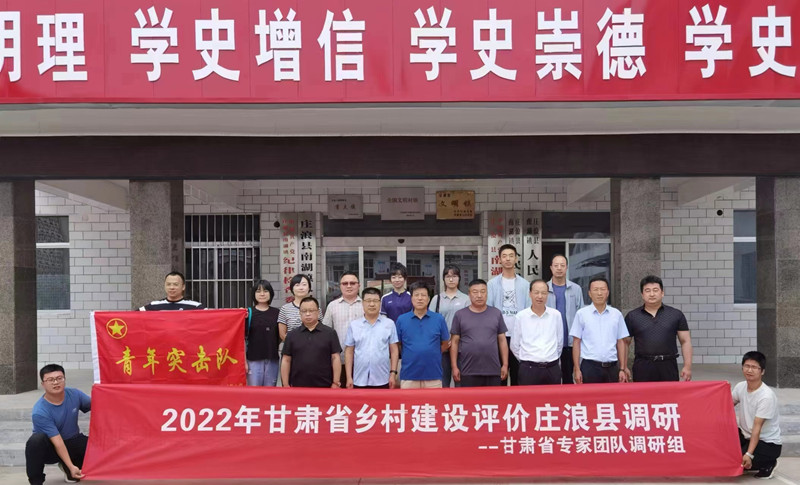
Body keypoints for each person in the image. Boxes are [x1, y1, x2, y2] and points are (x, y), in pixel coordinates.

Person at [26, 364, 90, 485]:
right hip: (50, 448)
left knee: (94, 445)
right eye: (50, 380)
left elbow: (97, 405)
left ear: (64, 379)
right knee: (35, 441)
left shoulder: (75, 394)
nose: (56, 382)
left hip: (72, 441)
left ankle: (68, 468)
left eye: (59, 378)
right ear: (43, 384)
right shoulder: (40, 411)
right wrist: (71, 465)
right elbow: (58, 442)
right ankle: (36, 481)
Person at [624, 275, 693, 382]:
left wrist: (687, 366)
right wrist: (623, 367)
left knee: (669, 393)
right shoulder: (632, 316)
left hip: (668, 365)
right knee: (643, 393)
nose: (652, 294)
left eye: (655, 290)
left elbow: (685, 341)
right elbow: (624, 343)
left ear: (662, 293)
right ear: (642, 295)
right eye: (647, 291)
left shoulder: (676, 314)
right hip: (643, 366)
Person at [570, 276, 629, 384]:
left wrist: (622, 368)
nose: (599, 293)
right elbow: (576, 342)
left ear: (608, 292)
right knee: (589, 395)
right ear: (589, 293)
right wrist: (577, 369)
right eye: (595, 290)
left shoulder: (616, 314)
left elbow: (621, 341)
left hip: (612, 367)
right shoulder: (581, 314)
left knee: (613, 395)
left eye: (602, 289)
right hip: (590, 367)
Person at [732, 351, 782, 479]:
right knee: (724, 453)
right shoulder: (740, 387)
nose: (749, 370)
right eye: (747, 366)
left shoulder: (766, 396)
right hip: (746, 436)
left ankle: (768, 463)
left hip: (767, 443)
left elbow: (757, 428)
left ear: (762, 371)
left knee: (736, 461)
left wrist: (749, 454)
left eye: (754, 367)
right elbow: (726, 405)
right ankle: (748, 460)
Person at [450, 279, 508, 387]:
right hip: (468, 370)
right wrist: (454, 367)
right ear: (469, 294)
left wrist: (505, 364)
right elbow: (454, 342)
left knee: (493, 398)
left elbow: (502, 340)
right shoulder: (460, 315)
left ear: (487, 293)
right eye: (475, 292)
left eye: (483, 291)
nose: (479, 295)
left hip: (493, 370)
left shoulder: (496, 313)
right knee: (470, 398)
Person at [487, 244, 530, 385]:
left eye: (511, 256)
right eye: (504, 256)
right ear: (499, 259)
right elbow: (489, 310)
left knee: (518, 377)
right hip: (499, 336)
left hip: (519, 336)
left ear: (516, 259)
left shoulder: (525, 285)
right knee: (500, 377)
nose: (508, 259)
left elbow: (528, 311)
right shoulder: (492, 284)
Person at [395, 281, 450, 389]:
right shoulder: (402, 320)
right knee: (408, 401)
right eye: (416, 295)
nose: (420, 298)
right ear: (411, 298)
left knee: (433, 401)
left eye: (423, 295)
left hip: (433, 375)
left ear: (428, 299)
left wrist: (432, 352)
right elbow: (398, 345)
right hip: (409, 376)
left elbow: (445, 343)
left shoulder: (438, 319)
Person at [344, 287, 400, 389]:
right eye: (368, 301)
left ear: (380, 303)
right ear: (362, 303)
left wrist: (393, 373)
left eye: (375, 301)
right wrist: (348, 377)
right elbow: (349, 352)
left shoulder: (389, 324)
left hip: (382, 379)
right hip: (359, 379)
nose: (372, 304)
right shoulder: (354, 325)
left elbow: (394, 350)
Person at [511, 279, 564, 385]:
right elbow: (514, 345)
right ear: (530, 294)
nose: (540, 296)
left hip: (552, 368)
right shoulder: (521, 316)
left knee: (553, 396)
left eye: (543, 293)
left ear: (547, 295)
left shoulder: (556, 315)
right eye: (536, 292)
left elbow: (559, 343)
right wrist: (527, 360)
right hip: (529, 369)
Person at [281, 297, 342, 388]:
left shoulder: (330, 333)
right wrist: (285, 384)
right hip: (298, 386)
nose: (308, 314)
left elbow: (335, 358)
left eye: (311, 310)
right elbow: (286, 360)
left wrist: (336, 382)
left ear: (318, 312)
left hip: (325, 385)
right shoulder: (292, 335)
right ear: (300, 313)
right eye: (304, 311)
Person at [546, 254, 585, 384]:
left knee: (569, 378)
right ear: (551, 268)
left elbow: (581, 315)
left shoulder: (576, 289)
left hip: (570, 342)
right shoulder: (544, 289)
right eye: (556, 265)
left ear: (567, 267)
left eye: (562, 265)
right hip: (550, 342)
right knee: (552, 379)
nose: (559, 268)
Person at [429, 264, 469, 387]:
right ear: (443, 279)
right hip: (442, 346)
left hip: (461, 346)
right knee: (442, 382)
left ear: (459, 278)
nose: (451, 279)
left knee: (461, 382)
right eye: (448, 276)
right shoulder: (437, 299)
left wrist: (456, 339)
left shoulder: (466, 299)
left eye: (454, 276)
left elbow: (469, 322)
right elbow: (431, 322)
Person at [323, 271, 364, 387]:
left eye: (352, 283)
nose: (349, 286)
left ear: (359, 285)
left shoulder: (366, 305)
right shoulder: (332, 306)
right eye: (345, 283)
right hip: (338, 361)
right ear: (340, 286)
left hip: (362, 362)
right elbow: (325, 333)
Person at [245, 280, 281, 386]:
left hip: (272, 358)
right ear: (254, 294)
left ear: (270, 293)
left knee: (270, 392)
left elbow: (281, 335)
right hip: (253, 359)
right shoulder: (248, 313)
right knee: (254, 392)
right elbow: (242, 338)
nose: (262, 294)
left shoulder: (277, 313)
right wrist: (244, 361)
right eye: (258, 291)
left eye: (265, 291)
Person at [278, 274, 322, 341]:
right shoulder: (285, 309)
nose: (301, 288)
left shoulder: (316, 308)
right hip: (292, 346)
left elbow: (321, 330)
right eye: (297, 285)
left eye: (304, 284)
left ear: (309, 288)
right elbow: (282, 334)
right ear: (292, 288)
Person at [138, 271, 205, 310]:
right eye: (168, 284)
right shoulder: (154, 306)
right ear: (164, 286)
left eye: (175, 284)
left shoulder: (195, 306)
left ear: (183, 287)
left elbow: (209, 318)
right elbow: (134, 316)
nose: (172, 287)